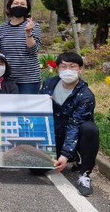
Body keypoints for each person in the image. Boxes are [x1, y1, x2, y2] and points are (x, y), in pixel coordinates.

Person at [40, 52, 100, 196]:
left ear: (80, 69)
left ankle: (84, 174)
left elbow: (75, 124)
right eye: (63, 66)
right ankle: (70, 156)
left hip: (73, 134)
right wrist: (43, 101)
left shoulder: (86, 95)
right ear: (58, 69)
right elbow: (39, 112)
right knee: (37, 170)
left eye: (72, 67)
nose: (68, 70)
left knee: (89, 129)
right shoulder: (49, 84)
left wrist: (65, 154)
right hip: (53, 134)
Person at [0, 0, 42, 94]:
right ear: (10, 6)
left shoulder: (34, 26)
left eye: (22, 4)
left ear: (27, 8)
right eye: (16, 3)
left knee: (26, 109)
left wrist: (28, 32)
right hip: (7, 79)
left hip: (29, 80)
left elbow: (33, 50)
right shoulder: (1, 28)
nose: (19, 6)